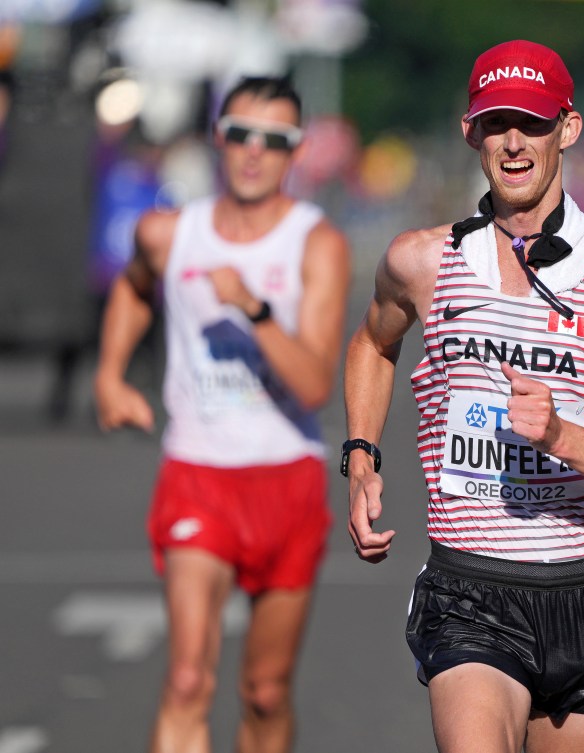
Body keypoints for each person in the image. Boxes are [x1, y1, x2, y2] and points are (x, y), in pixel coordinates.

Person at [343, 40, 584, 753]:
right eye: (497, 121)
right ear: (470, 131)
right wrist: (360, 455)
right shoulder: (422, 261)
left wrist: (561, 438)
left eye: (534, 122)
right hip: (471, 585)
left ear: (568, 129)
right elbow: (372, 344)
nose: (514, 142)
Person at [94, 75, 351, 753]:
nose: (253, 152)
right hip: (198, 470)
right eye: (240, 133)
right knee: (185, 678)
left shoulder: (314, 243)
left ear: (295, 151)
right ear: (218, 137)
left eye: (274, 140)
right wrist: (111, 375)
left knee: (264, 691)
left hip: (286, 477)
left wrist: (254, 310)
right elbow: (132, 287)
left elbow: (316, 383)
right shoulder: (167, 233)